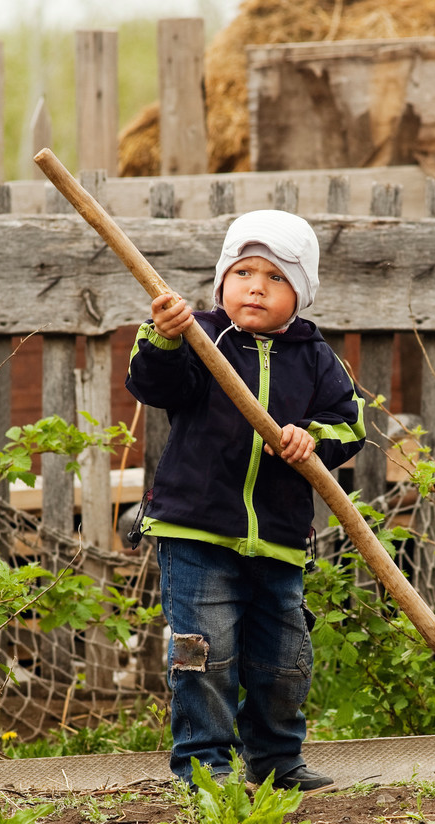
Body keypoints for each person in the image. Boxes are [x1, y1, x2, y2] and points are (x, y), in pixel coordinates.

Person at [126, 209, 365, 792]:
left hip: (279, 539)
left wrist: (312, 437)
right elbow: (153, 384)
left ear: (301, 291)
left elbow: (350, 422)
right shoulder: (200, 337)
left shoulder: (314, 355)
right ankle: (205, 766)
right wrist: (164, 337)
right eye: (244, 273)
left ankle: (277, 759)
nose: (256, 287)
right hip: (197, 530)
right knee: (203, 654)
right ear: (222, 282)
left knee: (282, 659)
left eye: (276, 277)